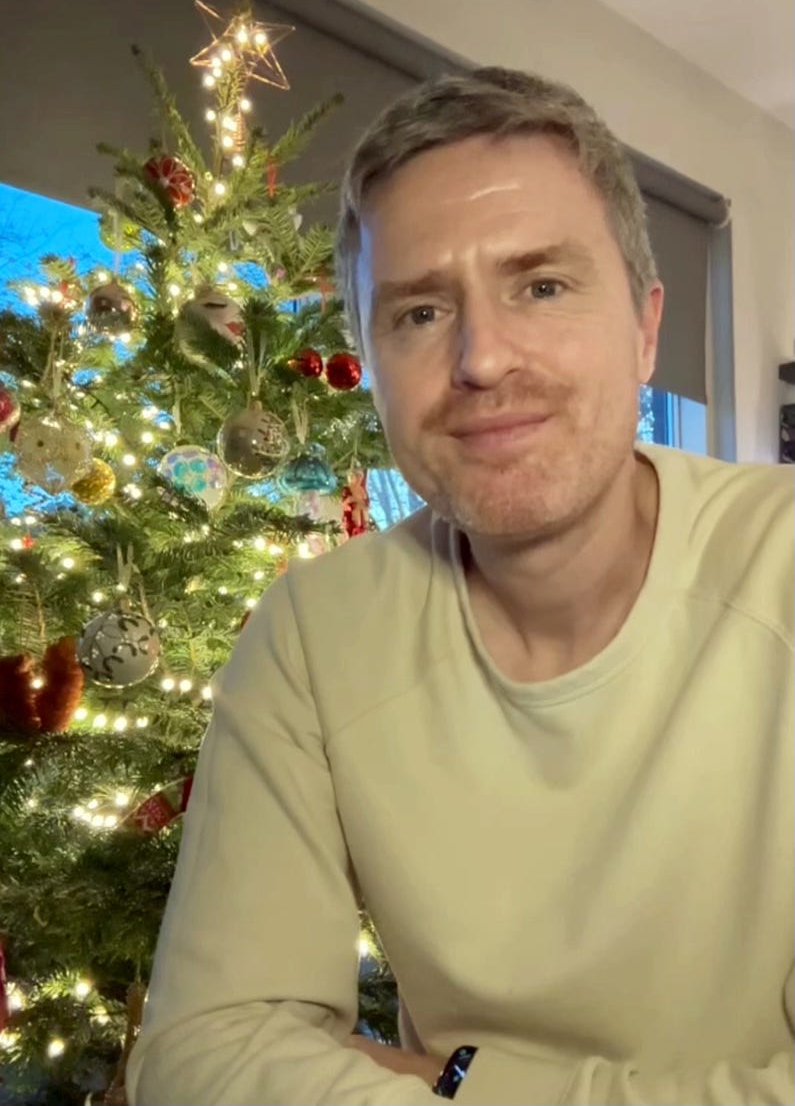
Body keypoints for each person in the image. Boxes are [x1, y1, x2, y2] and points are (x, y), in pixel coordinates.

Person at [127, 67, 794, 1105]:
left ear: (647, 327)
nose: (482, 358)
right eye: (421, 312)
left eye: (541, 285)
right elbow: (201, 1055)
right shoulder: (313, 635)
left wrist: (466, 1085)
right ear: (371, 364)